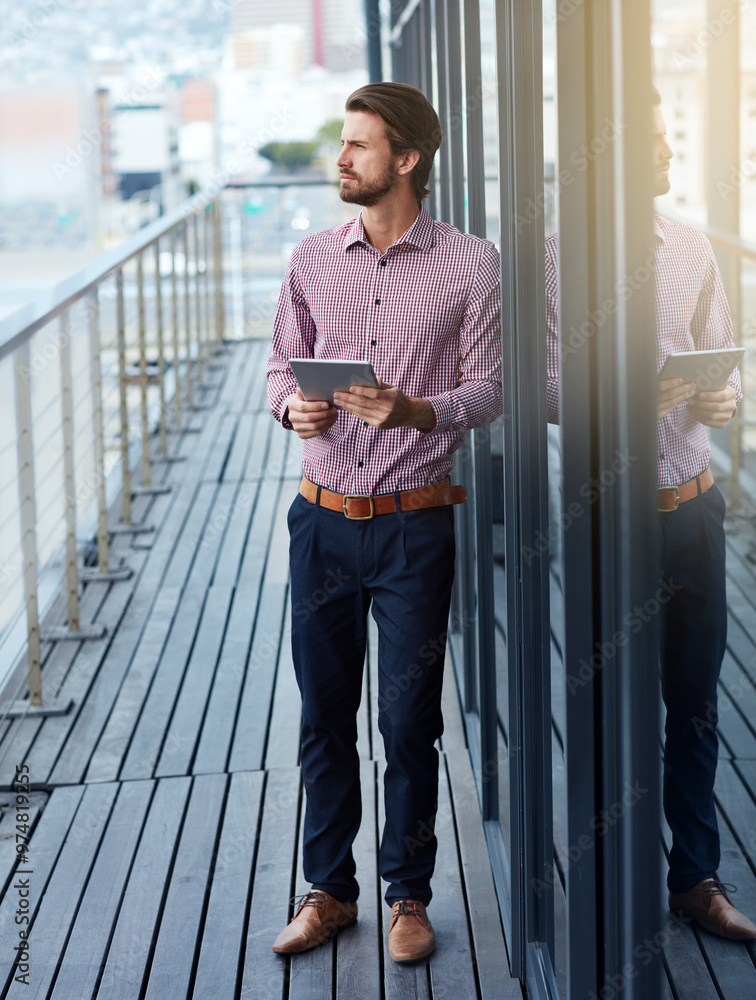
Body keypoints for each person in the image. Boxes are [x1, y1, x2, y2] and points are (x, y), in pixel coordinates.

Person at [266, 82, 502, 962]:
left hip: (414, 527)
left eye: (359, 146)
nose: (342, 159)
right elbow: (277, 372)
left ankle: (409, 897)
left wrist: (413, 414)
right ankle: (328, 891)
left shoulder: (473, 264)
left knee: (408, 722)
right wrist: (294, 410)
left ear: (406, 160)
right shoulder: (311, 258)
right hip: (320, 519)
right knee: (324, 715)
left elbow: (489, 390)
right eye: (343, 143)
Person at [545, 88, 756, 940]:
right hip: (609, 517)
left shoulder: (695, 249)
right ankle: (608, 877)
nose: (670, 154)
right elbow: (544, 388)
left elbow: (729, 363)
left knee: (696, 702)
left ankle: (696, 878)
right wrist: (627, 398)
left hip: (693, 509)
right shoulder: (558, 261)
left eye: (672, 139)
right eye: (658, 143)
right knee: (608, 705)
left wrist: (721, 400)